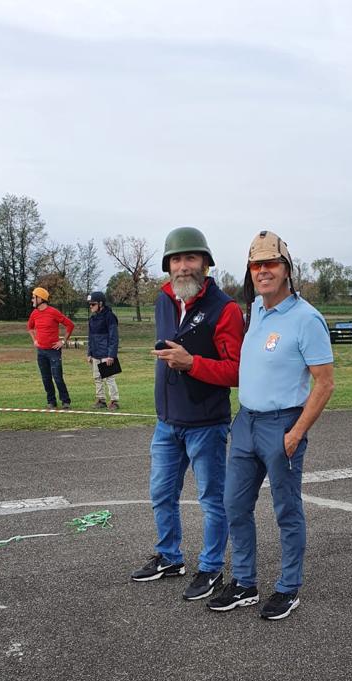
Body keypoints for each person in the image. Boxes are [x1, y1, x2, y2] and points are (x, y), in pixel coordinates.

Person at [209, 230, 334, 621]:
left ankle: (288, 587)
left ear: (286, 268)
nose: (263, 271)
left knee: (286, 510)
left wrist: (296, 433)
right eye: (256, 265)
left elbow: (325, 383)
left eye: (271, 264)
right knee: (234, 505)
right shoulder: (256, 311)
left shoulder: (306, 319)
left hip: (282, 425)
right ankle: (245, 583)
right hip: (246, 421)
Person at [131, 226, 245, 601]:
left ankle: (211, 568)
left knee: (212, 500)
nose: (183, 266)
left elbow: (237, 371)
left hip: (206, 424)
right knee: (161, 494)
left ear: (206, 264)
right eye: (176, 259)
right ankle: (169, 557)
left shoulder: (225, 309)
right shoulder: (164, 300)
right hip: (167, 422)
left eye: (190, 258)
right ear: (168, 266)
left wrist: (192, 363)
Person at [27, 287, 74, 410]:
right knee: (46, 378)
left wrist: (63, 341)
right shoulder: (34, 313)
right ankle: (51, 401)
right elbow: (30, 328)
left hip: (54, 351)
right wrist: (35, 340)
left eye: (33, 297)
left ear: (40, 299)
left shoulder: (53, 312)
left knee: (57, 377)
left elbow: (70, 325)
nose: (32, 300)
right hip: (41, 352)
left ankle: (65, 401)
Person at [86, 291, 120, 410]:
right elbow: (90, 337)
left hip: (106, 353)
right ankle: (101, 400)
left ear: (100, 304)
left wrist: (111, 355)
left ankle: (114, 401)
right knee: (97, 378)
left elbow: (114, 337)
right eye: (90, 304)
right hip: (95, 353)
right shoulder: (92, 318)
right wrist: (89, 353)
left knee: (109, 378)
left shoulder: (110, 317)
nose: (91, 306)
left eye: (93, 304)